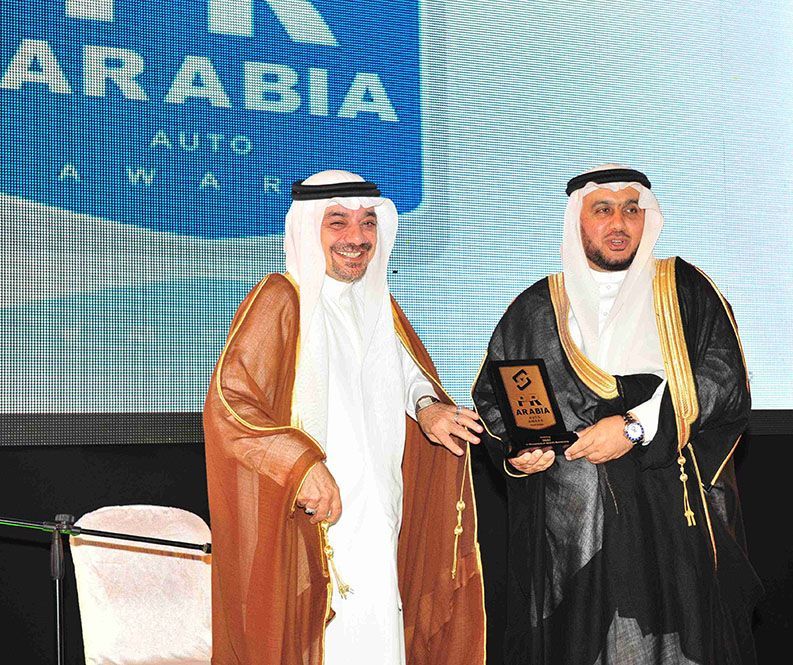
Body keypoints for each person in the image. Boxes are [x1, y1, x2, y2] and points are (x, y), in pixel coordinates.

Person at [472, 164, 761, 665]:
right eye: (603, 210)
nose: (620, 223)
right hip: (571, 532)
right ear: (578, 220)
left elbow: (722, 378)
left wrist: (634, 426)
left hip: (665, 514)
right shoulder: (536, 307)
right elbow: (497, 398)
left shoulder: (684, 290)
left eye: (632, 209)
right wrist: (518, 454)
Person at [203, 170, 486, 665]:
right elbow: (232, 405)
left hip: (378, 513)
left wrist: (428, 408)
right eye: (338, 222)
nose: (357, 238)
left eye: (368, 223)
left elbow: (409, 376)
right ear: (309, 228)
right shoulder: (281, 298)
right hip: (317, 518)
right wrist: (301, 465)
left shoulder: (378, 305)